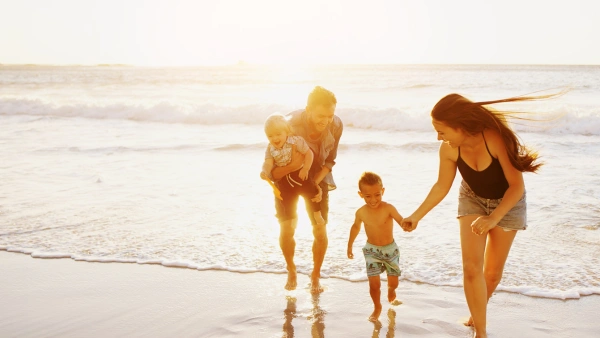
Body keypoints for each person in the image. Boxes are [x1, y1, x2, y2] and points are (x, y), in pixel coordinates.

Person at [401, 92, 560, 338]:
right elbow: (441, 186)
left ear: (460, 126)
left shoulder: (494, 139)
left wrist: (493, 217)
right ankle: (481, 332)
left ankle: (477, 315)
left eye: (442, 131)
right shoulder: (448, 150)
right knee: (471, 268)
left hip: (509, 203)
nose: (438, 137)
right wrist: (416, 215)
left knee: (492, 274)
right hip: (472, 198)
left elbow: (516, 187)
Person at [269, 86, 343, 293]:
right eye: (321, 115)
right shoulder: (288, 124)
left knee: (320, 228)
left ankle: (315, 275)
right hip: (287, 180)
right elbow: (272, 172)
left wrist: (316, 185)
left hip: (316, 177)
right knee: (287, 228)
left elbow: (330, 160)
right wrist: (293, 168)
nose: (326, 120)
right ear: (307, 109)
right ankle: (291, 269)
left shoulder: (336, 125)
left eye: (330, 115)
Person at [347, 172, 408, 322]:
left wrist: (407, 225)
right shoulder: (361, 212)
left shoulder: (388, 208)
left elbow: (401, 221)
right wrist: (349, 246)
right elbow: (355, 228)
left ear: (383, 191)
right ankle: (377, 307)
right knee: (374, 285)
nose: (373, 200)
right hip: (371, 251)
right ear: (361, 194)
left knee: (394, 282)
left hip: (390, 250)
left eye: (377, 195)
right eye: (368, 196)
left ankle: (391, 290)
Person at [260, 113, 326, 227]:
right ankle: (290, 217)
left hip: (300, 173)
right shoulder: (270, 149)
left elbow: (309, 153)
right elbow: (268, 162)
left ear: (287, 132)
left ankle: (317, 213)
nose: (275, 138)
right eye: (270, 136)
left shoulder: (296, 141)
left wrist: (306, 168)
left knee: (311, 192)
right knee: (285, 198)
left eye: (278, 134)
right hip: (284, 178)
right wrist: (264, 171)